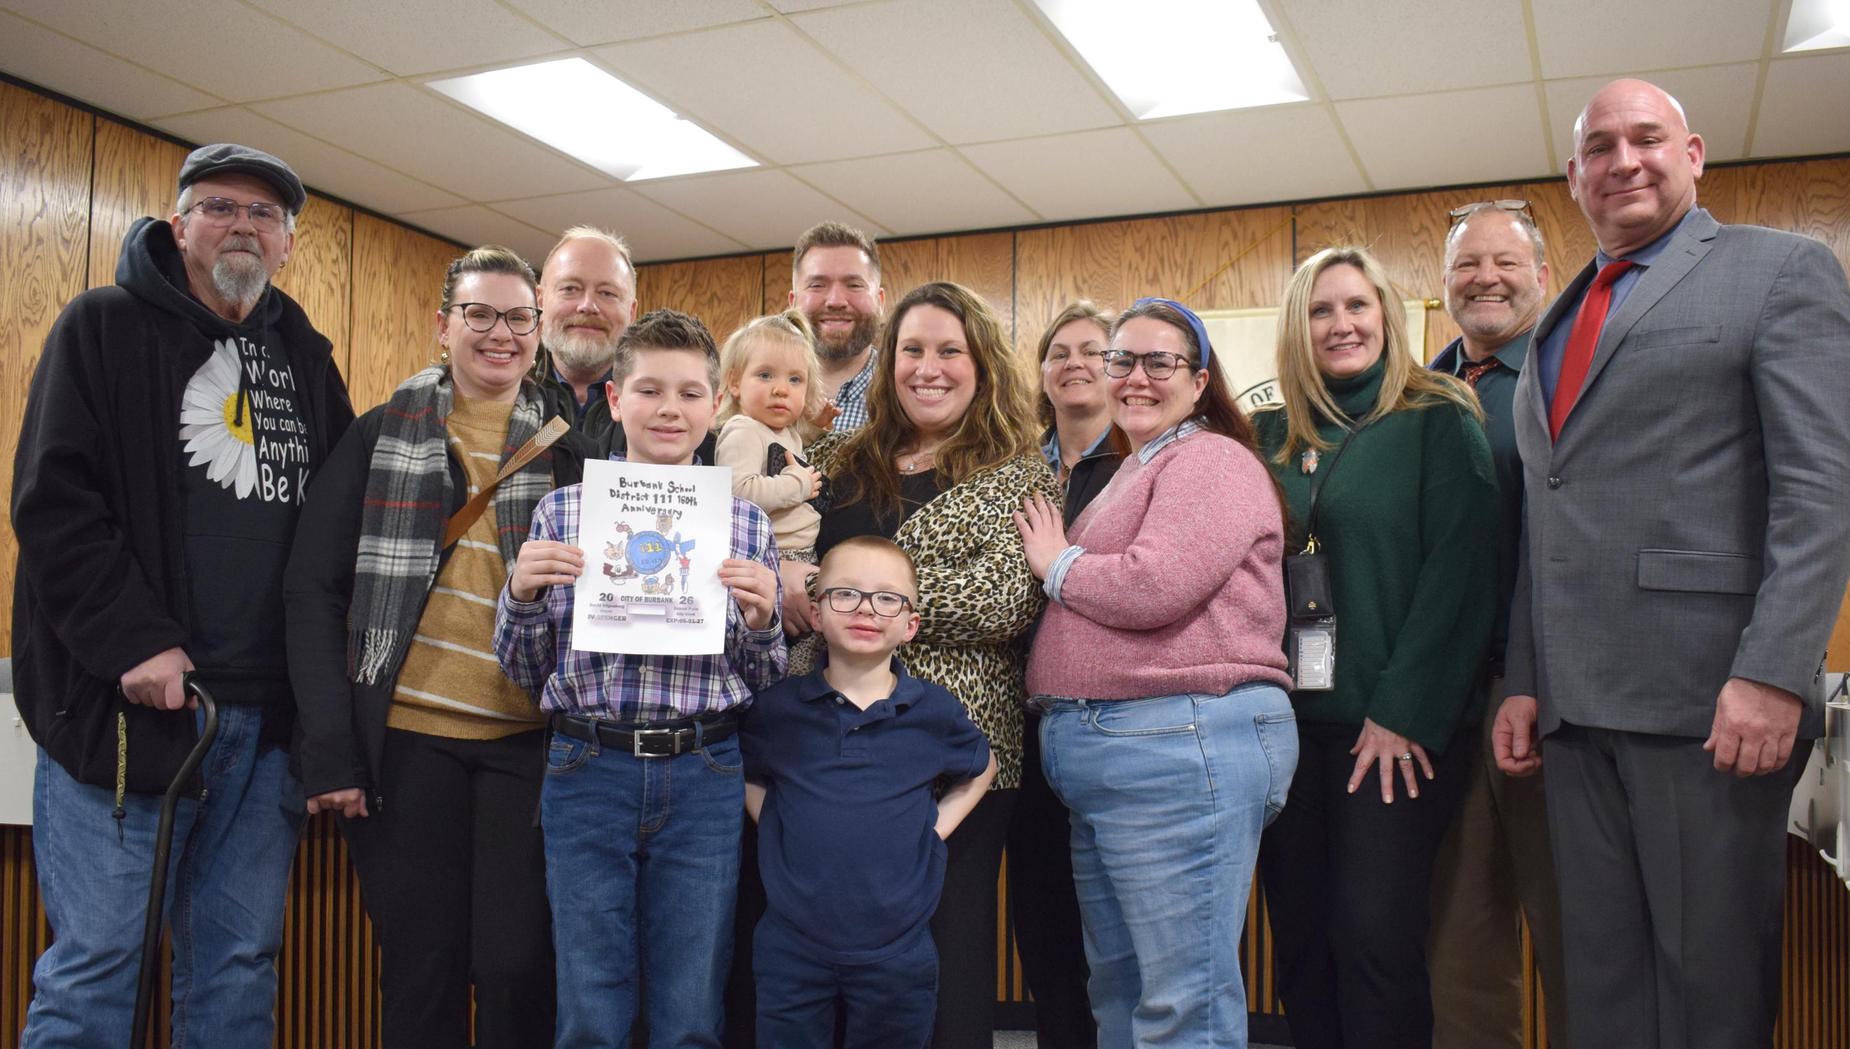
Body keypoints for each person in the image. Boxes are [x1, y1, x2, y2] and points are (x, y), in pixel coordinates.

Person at [1493, 78, 1850, 1049]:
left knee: (1706, 985)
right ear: (1573, 178)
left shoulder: (1778, 271)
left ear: (1691, 153)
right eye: (1597, 148)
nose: (1622, 160)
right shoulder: (1556, 321)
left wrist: (1772, 670)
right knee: (1601, 981)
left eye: (1644, 138)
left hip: (1708, 703)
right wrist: (1523, 679)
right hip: (1574, 716)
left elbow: (1818, 491)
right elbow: (1544, 511)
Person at [14, 143, 354, 1048]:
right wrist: (134, 639)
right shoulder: (102, 327)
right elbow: (55, 504)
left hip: (267, 728)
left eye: (265, 215)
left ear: (286, 242)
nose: (243, 226)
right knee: (97, 968)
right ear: (179, 226)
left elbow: (339, 531)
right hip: (135, 719)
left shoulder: (305, 356)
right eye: (220, 208)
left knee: (237, 967)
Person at [284, 246, 591, 1047]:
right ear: (443, 325)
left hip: (527, 744)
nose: (500, 333)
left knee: (518, 964)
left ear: (538, 330)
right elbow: (312, 591)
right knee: (422, 971)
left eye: (519, 317)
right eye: (479, 313)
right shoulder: (378, 435)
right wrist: (331, 748)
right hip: (407, 743)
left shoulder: (570, 453)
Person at [494, 307, 788, 1049]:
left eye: (690, 393)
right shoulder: (564, 511)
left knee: (691, 1004)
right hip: (586, 765)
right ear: (616, 399)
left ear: (715, 406)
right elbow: (527, 672)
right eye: (650, 390)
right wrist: (522, 594)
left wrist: (762, 620)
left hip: (706, 768)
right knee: (590, 1001)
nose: (670, 409)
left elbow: (763, 676)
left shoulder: (746, 524)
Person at [1015, 297, 1298, 1049]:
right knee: (1124, 991)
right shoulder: (1141, 465)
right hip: (1123, 757)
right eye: (1122, 360)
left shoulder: (1209, 459)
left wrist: (1057, 564)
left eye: (1159, 361)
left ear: (1200, 380)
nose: (1135, 377)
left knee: (1182, 1006)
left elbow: (1155, 584)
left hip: (1177, 744)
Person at [785, 281, 1056, 1049]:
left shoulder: (1019, 470)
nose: (927, 367)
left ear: (981, 364)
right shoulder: (837, 458)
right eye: (911, 349)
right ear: (887, 362)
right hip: (826, 742)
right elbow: (779, 552)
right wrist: (798, 581)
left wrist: (838, 595)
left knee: (941, 954)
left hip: (956, 756)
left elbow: (1004, 598)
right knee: (824, 951)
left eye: (949, 350)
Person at [1253, 246, 1498, 1049]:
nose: (1341, 324)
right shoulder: (1266, 437)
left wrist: (1403, 713)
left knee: (1375, 940)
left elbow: (1460, 578)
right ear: (1298, 327)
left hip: (1389, 734)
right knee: (1299, 936)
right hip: (1284, 732)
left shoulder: (1439, 416)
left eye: (1356, 305)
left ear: (1386, 316)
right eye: (1321, 310)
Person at [741, 536, 997, 1049]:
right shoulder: (777, 709)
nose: (865, 609)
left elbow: (984, 765)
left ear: (911, 624)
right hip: (791, 942)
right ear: (815, 614)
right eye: (846, 594)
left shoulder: (933, 713)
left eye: (887, 598)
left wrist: (935, 828)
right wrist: (776, 821)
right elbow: (744, 770)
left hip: (898, 947)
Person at [1425, 202, 1569, 1048]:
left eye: (1506, 262)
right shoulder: (1422, 391)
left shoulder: (1573, 378)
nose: (1485, 276)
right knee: (1459, 938)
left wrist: (1536, 677)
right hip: (1446, 704)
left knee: (1576, 931)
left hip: (1554, 701)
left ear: (1543, 277)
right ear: (1443, 285)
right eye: (1467, 264)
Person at [1007, 299, 1120, 1047]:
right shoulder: (1017, 470)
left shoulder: (1147, 462)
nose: (1074, 363)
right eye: (1059, 352)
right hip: (1026, 717)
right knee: (1042, 914)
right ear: (1041, 374)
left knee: (1113, 923)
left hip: (1114, 717)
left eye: (1093, 350)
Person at [714, 310, 825, 564]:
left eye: (795, 379)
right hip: (766, 558)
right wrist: (799, 484)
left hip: (798, 554)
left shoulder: (788, 434)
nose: (781, 389)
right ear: (735, 382)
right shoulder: (743, 430)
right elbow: (738, 493)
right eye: (765, 375)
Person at [534, 225, 638, 441]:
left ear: (632, 311)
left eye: (607, 293)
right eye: (570, 289)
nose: (588, 305)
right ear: (540, 300)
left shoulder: (662, 406)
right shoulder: (503, 393)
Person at [789, 221, 885, 433]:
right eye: (817, 285)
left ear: (880, 301)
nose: (835, 301)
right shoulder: (753, 392)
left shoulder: (906, 395)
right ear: (793, 303)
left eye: (854, 285)